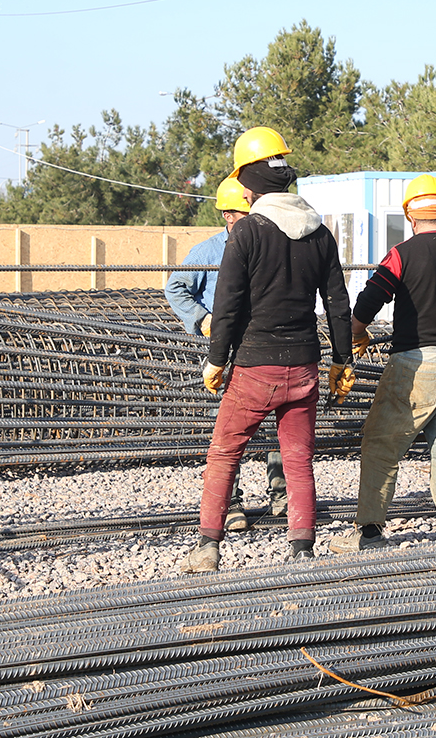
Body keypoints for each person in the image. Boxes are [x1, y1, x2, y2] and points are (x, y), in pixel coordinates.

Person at [183, 127, 354, 571]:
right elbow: (337, 303)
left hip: (254, 369)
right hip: (304, 368)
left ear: (250, 181)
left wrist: (216, 360)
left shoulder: (249, 232)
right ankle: (301, 550)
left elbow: (228, 305)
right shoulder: (320, 234)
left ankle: (207, 548)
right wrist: (342, 361)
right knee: (298, 459)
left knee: (224, 452)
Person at [331, 174, 436, 552]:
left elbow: (368, 301)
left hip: (414, 363)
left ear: (411, 215)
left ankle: (371, 533)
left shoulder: (401, 254)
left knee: (382, 444)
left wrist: (355, 334)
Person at [164, 176, 286, 527]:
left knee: (278, 427)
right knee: (230, 433)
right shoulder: (209, 252)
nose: (234, 220)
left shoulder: (269, 244)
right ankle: (231, 504)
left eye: (240, 213)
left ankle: (281, 496)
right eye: (230, 214)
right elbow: (175, 286)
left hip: (265, 347)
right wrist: (203, 319)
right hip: (228, 352)